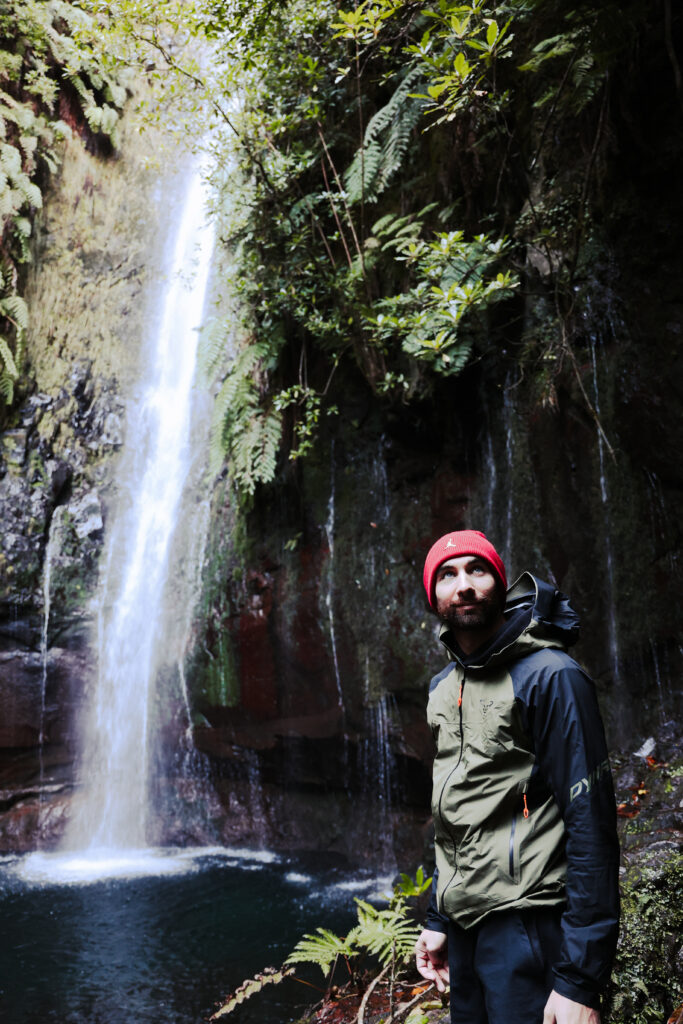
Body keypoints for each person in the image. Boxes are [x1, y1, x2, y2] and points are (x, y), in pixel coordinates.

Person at [414, 530, 620, 1024]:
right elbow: (460, 812)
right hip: (467, 933)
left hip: (531, 927)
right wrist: (441, 918)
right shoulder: (444, 687)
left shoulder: (551, 675)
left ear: (500, 584)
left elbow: (592, 826)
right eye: (447, 574)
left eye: (476, 570)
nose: (463, 585)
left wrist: (579, 981)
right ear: (432, 597)